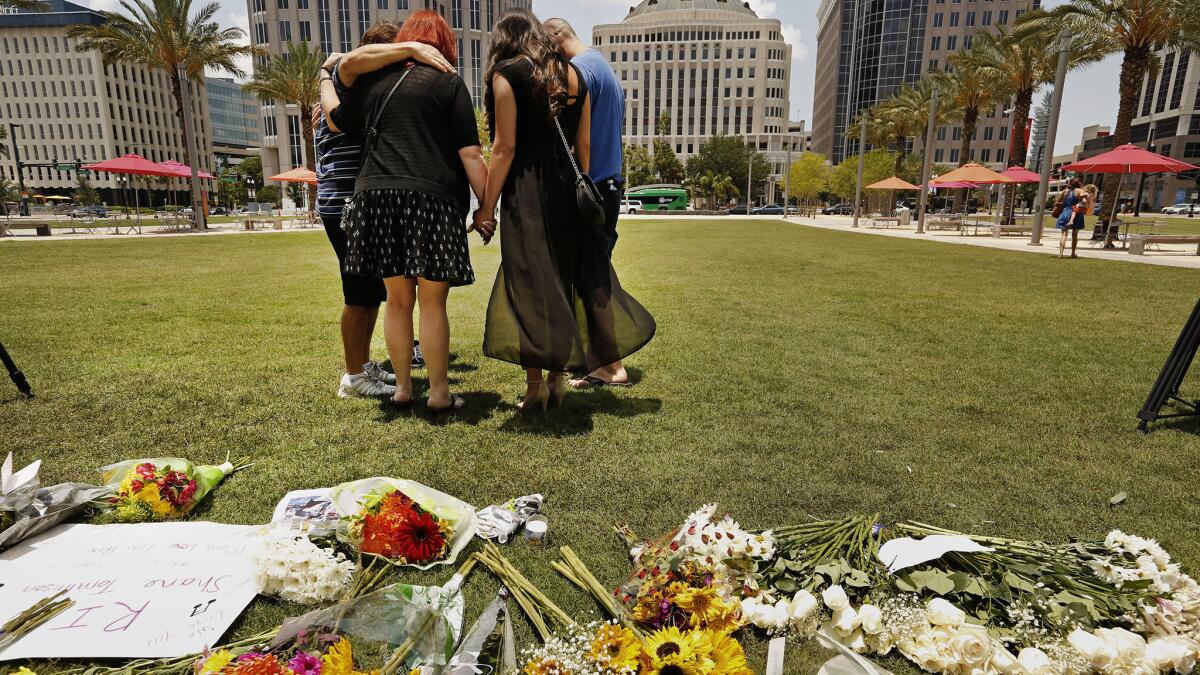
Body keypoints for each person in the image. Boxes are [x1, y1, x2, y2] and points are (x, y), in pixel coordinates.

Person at [475, 8, 655, 412]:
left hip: (527, 193)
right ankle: (557, 380)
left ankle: (535, 385)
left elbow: (504, 149)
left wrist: (486, 205)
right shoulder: (572, 75)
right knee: (562, 281)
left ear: (504, 39)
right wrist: (580, 190)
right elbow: (584, 148)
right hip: (567, 193)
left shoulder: (507, 74)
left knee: (531, 285)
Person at [325, 10, 489, 411]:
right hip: (430, 197)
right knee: (432, 302)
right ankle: (438, 393)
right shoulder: (448, 83)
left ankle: (401, 388)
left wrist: (322, 81)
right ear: (445, 44)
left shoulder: (372, 84)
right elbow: (469, 151)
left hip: (375, 197)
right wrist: (486, 205)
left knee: (397, 300)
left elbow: (336, 115)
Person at [315, 22, 451, 399]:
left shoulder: (354, 90)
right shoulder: (346, 78)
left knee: (371, 289)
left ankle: (362, 366)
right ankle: (353, 375)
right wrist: (410, 49)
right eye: (392, 53)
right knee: (357, 292)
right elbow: (344, 64)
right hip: (344, 199)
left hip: (354, 199)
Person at [543, 17, 635, 390]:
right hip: (608, 184)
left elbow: (575, 139)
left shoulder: (579, 72)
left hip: (590, 186)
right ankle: (599, 362)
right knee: (591, 273)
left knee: (593, 275)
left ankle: (611, 366)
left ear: (556, 38)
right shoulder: (605, 70)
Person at [1054, 178, 1095, 258]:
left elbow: (1058, 202)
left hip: (1065, 212)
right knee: (1075, 235)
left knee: (1064, 234)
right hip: (1077, 212)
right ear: (1078, 183)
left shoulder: (1064, 191)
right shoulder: (1080, 191)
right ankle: (1073, 253)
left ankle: (1061, 254)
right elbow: (1084, 201)